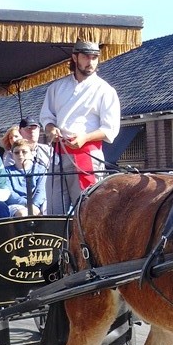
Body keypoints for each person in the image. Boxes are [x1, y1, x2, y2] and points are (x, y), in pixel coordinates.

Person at [39, 39, 120, 214]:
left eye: (94, 57)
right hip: (58, 155)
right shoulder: (56, 87)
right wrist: (51, 128)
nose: (91, 62)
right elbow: (46, 116)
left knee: (87, 212)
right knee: (54, 211)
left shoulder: (105, 90)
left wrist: (85, 137)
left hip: (87, 156)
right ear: (75, 58)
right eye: (86, 57)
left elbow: (110, 129)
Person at [5, 138, 47, 216]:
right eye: (16, 152)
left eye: (24, 152)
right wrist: (28, 205)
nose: (20, 155)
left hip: (38, 203)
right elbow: (9, 194)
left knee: (49, 210)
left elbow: (41, 191)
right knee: (23, 213)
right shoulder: (6, 171)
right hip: (16, 204)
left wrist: (34, 206)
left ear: (31, 153)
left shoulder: (41, 169)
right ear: (12, 155)